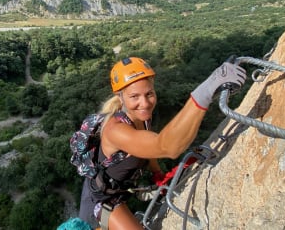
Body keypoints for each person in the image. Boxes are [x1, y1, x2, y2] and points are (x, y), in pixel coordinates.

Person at [78, 57, 246, 230]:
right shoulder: (116, 131)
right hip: (100, 204)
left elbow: (149, 150)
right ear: (120, 97)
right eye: (134, 96)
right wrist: (207, 90)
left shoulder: (141, 119)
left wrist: (157, 174)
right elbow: (166, 147)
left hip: (116, 193)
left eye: (149, 94)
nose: (145, 103)